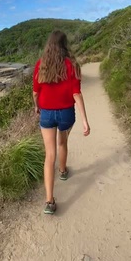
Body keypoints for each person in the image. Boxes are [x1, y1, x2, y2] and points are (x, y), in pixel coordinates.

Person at [33, 30, 90, 215]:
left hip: (47, 114)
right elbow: (76, 93)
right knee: (62, 142)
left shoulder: (41, 65)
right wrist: (84, 121)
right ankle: (63, 171)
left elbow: (35, 92)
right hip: (66, 113)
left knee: (49, 155)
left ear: (49, 45)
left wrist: (36, 106)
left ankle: (49, 202)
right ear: (65, 45)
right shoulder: (72, 65)